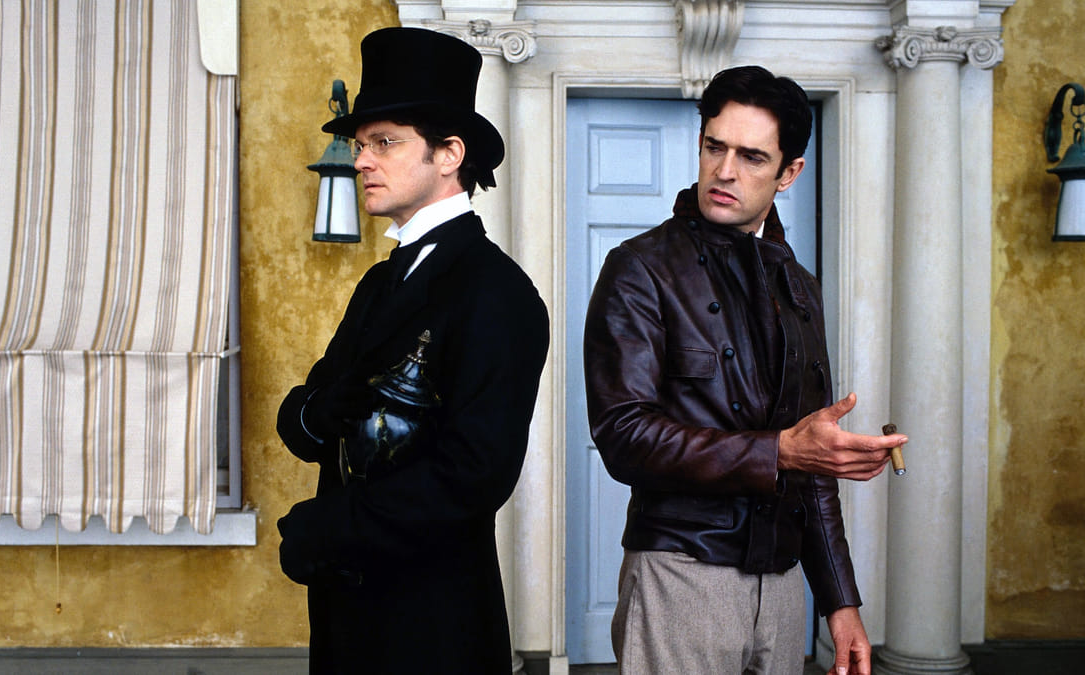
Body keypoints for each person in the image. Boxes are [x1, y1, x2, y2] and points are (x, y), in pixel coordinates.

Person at [583, 65, 907, 675]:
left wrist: (840, 603)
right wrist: (779, 451)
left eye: (752, 157)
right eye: (715, 147)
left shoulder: (800, 287)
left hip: (782, 586)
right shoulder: (639, 269)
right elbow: (623, 437)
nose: (725, 171)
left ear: (790, 172)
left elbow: (812, 463)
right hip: (680, 575)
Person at [275, 27, 550, 675]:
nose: (361, 161)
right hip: (348, 618)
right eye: (360, 144)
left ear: (449, 153)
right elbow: (302, 421)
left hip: (433, 623)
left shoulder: (498, 292)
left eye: (385, 142)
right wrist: (319, 412)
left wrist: (333, 526)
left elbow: (474, 475)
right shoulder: (380, 282)